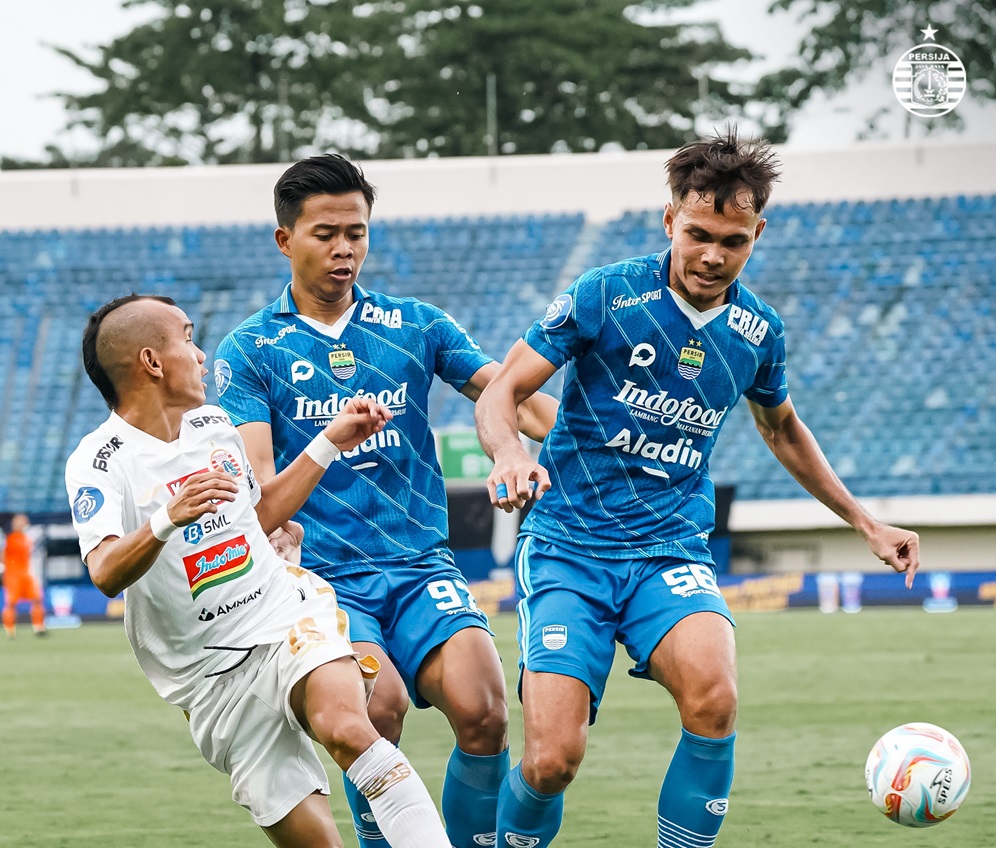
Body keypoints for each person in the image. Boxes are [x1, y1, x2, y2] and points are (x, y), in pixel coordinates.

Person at [474, 127, 922, 847]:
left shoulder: (757, 331)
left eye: (734, 240)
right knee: (552, 760)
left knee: (715, 702)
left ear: (758, 233)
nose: (713, 255)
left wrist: (866, 523)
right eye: (698, 233)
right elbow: (503, 390)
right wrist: (506, 454)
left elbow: (783, 430)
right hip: (567, 547)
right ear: (669, 221)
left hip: (670, 550)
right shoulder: (606, 293)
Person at [215, 153, 558, 848]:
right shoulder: (252, 348)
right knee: (381, 710)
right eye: (325, 234)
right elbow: (260, 479)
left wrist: (558, 448)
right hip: (328, 583)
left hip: (420, 564)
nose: (345, 249)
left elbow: (511, 397)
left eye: (358, 232)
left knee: (487, 711)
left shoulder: (417, 326)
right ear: (286, 239)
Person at [65, 294, 452, 848]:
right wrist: (166, 520)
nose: (201, 357)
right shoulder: (99, 460)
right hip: (210, 681)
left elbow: (259, 514)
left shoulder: (214, 426)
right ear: (151, 362)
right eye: (188, 339)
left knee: (348, 729)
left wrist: (329, 442)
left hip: (280, 615)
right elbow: (104, 570)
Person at [2, 513, 47, 638]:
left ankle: (39, 627)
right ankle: (10, 630)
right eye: (20, 521)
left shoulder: (27, 537)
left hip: (27, 573)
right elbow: (3, 556)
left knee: (37, 599)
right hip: (12, 574)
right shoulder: (7, 538)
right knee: (11, 603)